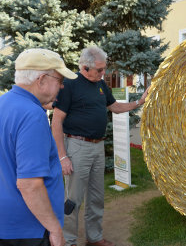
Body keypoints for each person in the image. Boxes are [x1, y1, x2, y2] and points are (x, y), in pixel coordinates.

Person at [51, 46, 149, 246]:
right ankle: (68, 241)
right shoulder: (70, 85)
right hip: (77, 147)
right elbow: (56, 122)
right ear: (85, 68)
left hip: (97, 147)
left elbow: (115, 107)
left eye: (104, 69)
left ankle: (93, 237)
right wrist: (63, 156)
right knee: (73, 199)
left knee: (97, 196)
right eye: (99, 70)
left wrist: (139, 102)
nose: (103, 73)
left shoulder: (101, 85)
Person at [0, 48, 78, 246]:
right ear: (42, 79)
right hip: (29, 228)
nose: (61, 87)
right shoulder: (32, 115)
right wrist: (55, 230)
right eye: (59, 81)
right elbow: (29, 184)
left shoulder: (4, 102)